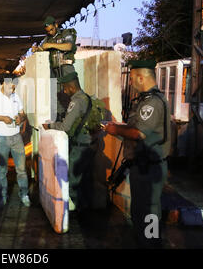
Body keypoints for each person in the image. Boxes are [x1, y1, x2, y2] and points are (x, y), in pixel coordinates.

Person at [103, 59, 170, 249]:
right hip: (142, 165)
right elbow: (135, 128)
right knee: (140, 211)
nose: (131, 83)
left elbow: (138, 133)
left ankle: (151, 245)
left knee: (149, 212)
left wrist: (115, 129)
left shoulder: (153, 103)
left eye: (132, 79)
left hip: (150, 168)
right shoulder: (144, 101)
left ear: (141, 77)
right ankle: (145, 243)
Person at [42, 71, 95, 213]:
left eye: (65, 88)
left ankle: (72, 213)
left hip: (79, 146)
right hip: (89, 144)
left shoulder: (76, 101)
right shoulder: (87, 98)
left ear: (71, 87)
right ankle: (85, 209)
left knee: (72, 179)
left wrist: (50, 126)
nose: (64, 92)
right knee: (85, 180)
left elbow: (65, 127)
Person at [0, 75, 30, 208]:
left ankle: (24, 194)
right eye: (10, 86)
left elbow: (23, 113)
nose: (12, 89)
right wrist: (2, 118)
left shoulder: (16, 97)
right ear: (4, 83)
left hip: (16, 138)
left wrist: (21, 118)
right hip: (1, 139)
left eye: (14, 87)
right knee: (2, 170)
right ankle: (2, 196)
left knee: (21, 169)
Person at [32, 16, 78, 120]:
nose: (50, 32)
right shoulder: (47, 39)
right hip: (54, 70)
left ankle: (75, 116)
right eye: (48, 31)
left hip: (66, 67)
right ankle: (60, 117)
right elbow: (42, 49)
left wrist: (51, 45)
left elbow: (69, 46)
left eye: (52, 29)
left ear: (56, 25)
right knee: (56, 95)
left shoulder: (65, 33)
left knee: (73, 93)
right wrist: (37, 50)